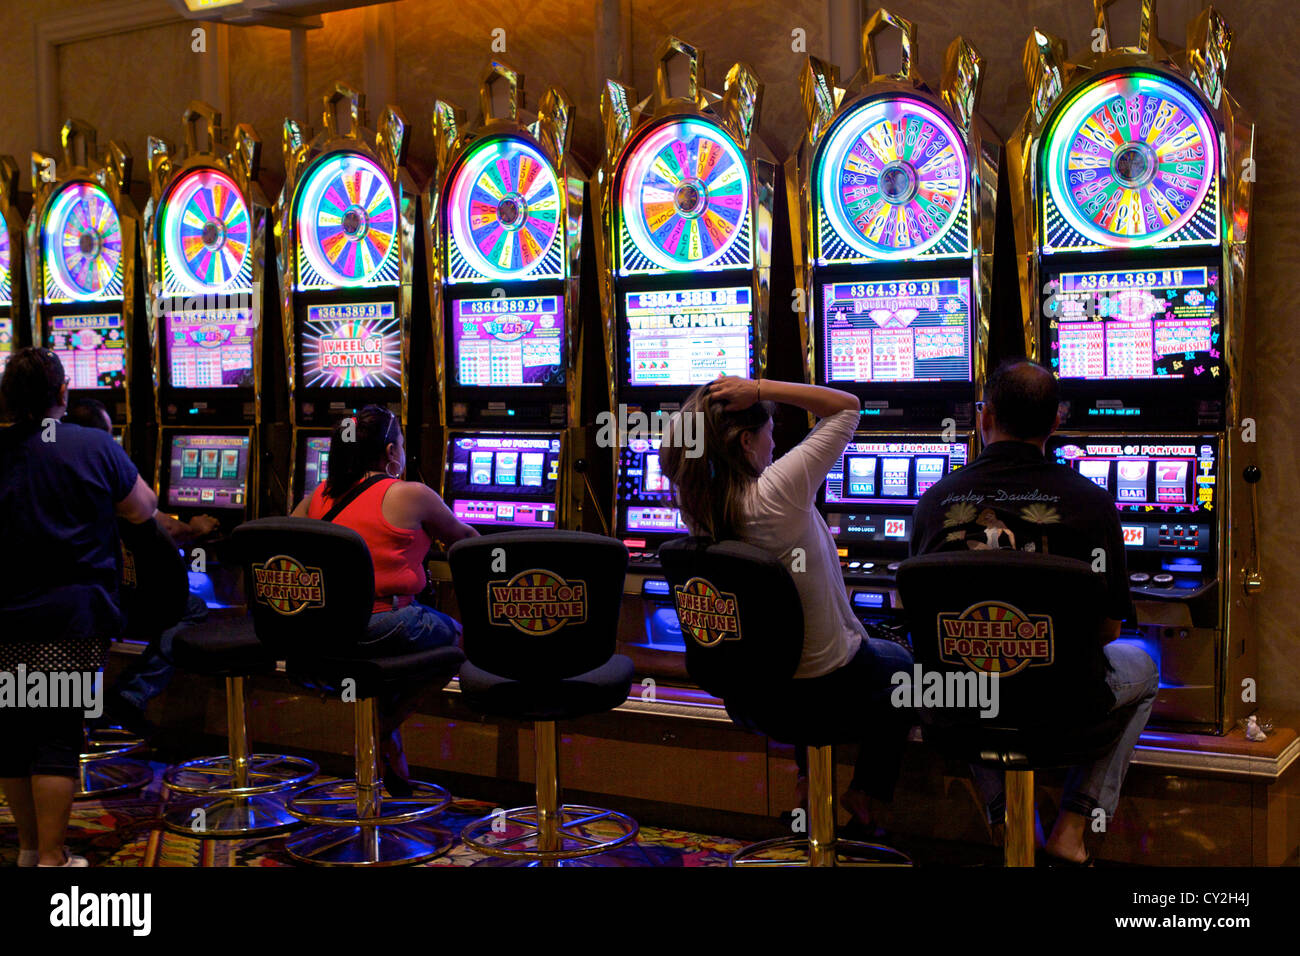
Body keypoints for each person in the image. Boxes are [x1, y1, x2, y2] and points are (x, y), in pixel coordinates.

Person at [910, 359, 1159, 865]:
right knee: (1146, 665)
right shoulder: (1091, 502)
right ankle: (1073, 826)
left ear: (985, 418)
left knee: (951, 671)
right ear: (1056, 422)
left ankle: (1005, 818)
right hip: (1066, 702)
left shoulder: (934, 500)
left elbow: (924, 629)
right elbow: (1109, 629)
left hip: (961, 700)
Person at [660, 376, 914, 837]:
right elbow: (847, 408)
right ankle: (868, 791)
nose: (775, 443)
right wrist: (759, 389)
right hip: (826, 686)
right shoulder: (776, 493)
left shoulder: (696, 501)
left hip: (751, 692)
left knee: (794, 659)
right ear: (745, 441)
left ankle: (807, 782)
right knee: (906, 667)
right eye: (769, 432)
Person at [0, 348, 158, 867]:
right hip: (70, 616)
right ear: (63, 393)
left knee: (15, 738)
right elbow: (143, 508)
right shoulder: (91, 443)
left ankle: (27, 851)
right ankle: (52, 859)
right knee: (55, 736)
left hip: (6, 615)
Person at [291, 405, 478, 794]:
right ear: (392, 452)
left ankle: (384, 741)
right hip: (379, 625)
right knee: (460, 639)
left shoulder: (316, 498)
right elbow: (468, 543)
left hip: (314, 630)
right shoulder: (410, 494)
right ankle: (384, 725)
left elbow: (282, 544)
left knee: (403, 652)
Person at [64, 399, 218, 734]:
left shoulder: (47, 476)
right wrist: (196, 527)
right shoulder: (109, 482)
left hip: (70, 605)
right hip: (117, 608)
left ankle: (85, 714)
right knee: (193, 607)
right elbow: (163, 527)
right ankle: (131, 694)